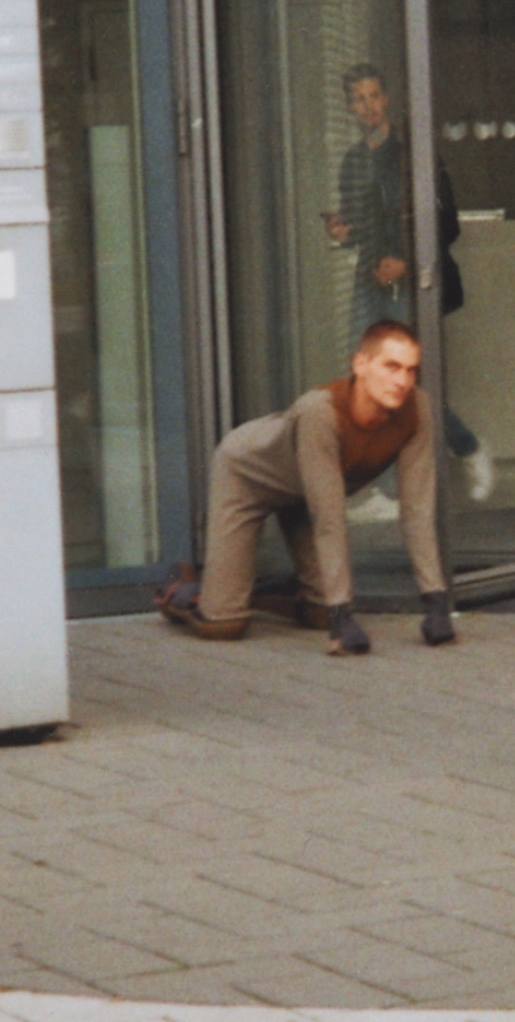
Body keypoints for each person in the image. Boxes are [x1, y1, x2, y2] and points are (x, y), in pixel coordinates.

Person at [156, 321, 455, 654]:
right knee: (223, 623)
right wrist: (343, 622)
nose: (402, 381)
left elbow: (416, 510)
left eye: (411, 370)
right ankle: (181, 585)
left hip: (305, 490)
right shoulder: (321, 413)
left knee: (319, 612)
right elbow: (330, 520)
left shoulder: (416, 410)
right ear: (360, 364)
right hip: (247, 476)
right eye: (391, 367)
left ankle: (267, 588)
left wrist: (437, 605)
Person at [325, 63, 494, 503]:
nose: (368, 106)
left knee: (406, 387)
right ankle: (386, 491)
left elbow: (447, 222)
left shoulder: (413, 153)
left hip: (410, 282)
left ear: (388, 99)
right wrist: (344, 233)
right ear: (349, 107)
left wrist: (405, 261)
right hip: (369, 282)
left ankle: (467, 448)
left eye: (374, 96)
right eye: (359, 99)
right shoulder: (352, 161)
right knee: (366, 383)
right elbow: (363, 228)